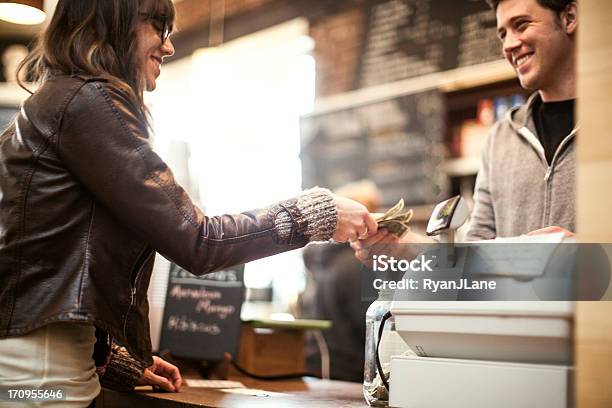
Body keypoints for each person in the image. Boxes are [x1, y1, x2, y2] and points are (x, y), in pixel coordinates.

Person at [0, 1, 377, 406]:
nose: (168, 47)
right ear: (114, 19)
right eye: (157, 26)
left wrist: (107, 358)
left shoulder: (59, 102)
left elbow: (49, 256)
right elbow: (198, 241)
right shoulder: (89, 100)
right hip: (40, 376)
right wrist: (316, 214)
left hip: (35, 365)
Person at [354, 0, 578, 260]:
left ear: (569, 17)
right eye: (503, 34)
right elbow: (476, 251)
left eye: (521, 25)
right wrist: (404, 245)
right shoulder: (501, 138)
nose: (508, 45)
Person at [303, 180, 382, 382]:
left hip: (318, 368)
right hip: (351, 373)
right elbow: (372, 329)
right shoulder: (359, 264)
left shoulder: (324, 259)